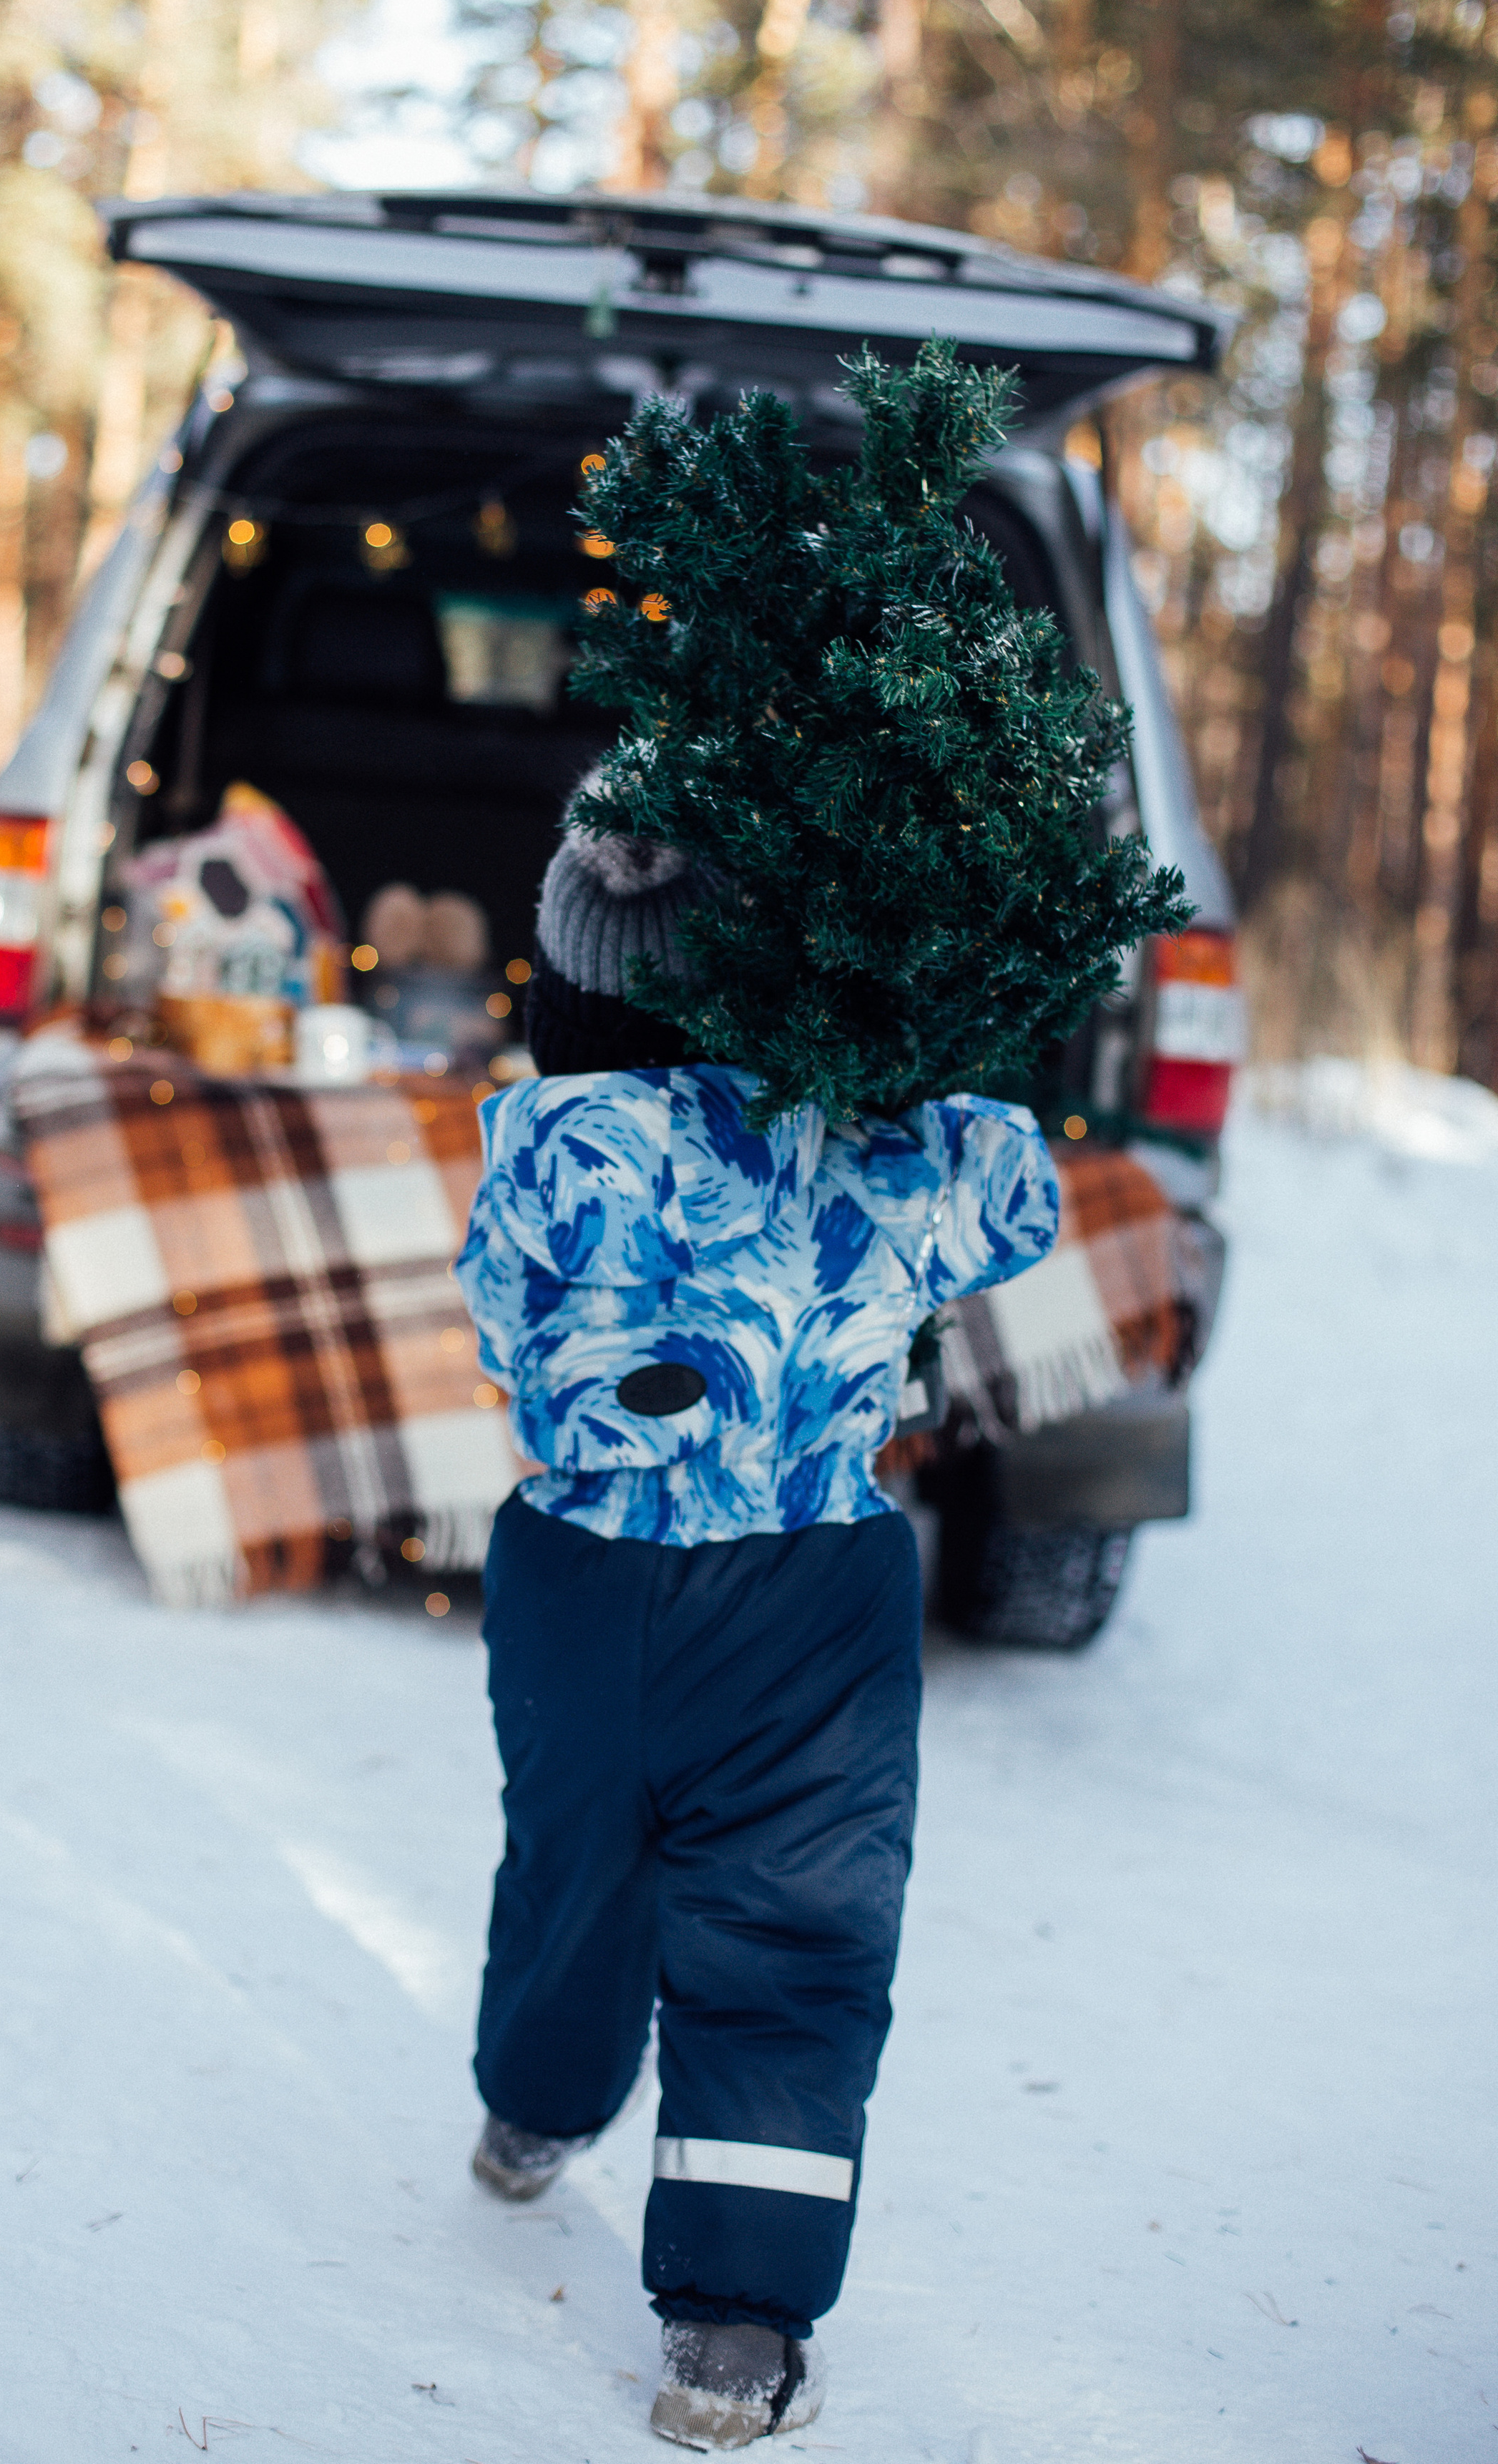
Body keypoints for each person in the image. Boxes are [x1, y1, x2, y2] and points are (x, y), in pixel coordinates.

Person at [454, 799, 1059, 2450]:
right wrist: (906, 1047)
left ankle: (533, 2107)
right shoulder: (879, 1135)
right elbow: (1020, 1203)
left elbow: (516, 1333)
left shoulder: (548, 1142)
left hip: (585, 1578)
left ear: (566, 982)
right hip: (812, 1593)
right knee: (795, 1937)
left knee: (578, 1865)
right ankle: (730, 2331)